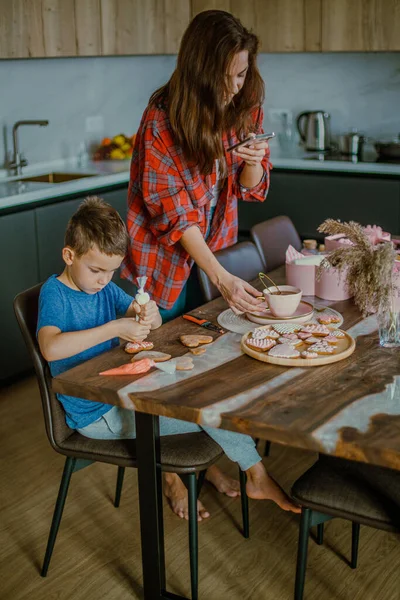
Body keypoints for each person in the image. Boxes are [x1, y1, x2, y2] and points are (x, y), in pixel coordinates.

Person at [37, 197, 299, 519]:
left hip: (123, 392)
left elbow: (154, 323)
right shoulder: (56, 294)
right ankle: (255, 477)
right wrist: (114, 327)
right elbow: (50, 348)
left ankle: (215, 472)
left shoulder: (101, 287)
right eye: (96, 271)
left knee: (201, 391)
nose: (105, 280)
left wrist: (146, 311)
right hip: (94, 412)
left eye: (111, 272)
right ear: (69, 255)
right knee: (203, 410)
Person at [121, 9, 271, 322]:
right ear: (199, 72)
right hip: (163, 262)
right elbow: (177, 217)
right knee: (161, 350)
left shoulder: (244, 105)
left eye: (240, 75)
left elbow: (248, 187)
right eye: (223, 77)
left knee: (213, 344)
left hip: (217, 248)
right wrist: (222, 278)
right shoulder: (160, 121)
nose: (233, 88)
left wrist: (254, 162)